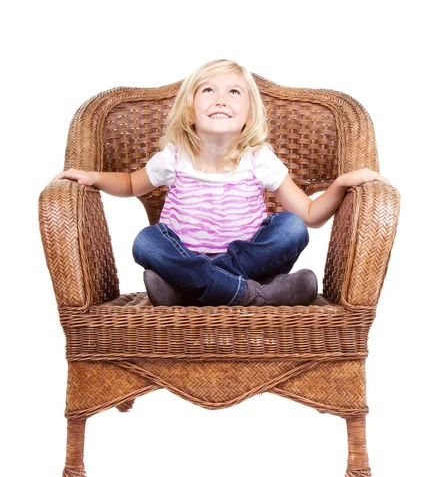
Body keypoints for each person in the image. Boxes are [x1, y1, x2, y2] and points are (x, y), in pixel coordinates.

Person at [54, 59, 390, 307]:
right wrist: (94, 178)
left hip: (243, 262)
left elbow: (310, 215)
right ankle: (255, 295)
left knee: (291, 229)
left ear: (248, 113)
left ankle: (190, 289)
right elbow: (130, 184)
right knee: (146, 242)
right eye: (208, 90)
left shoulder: (259, 158)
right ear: (190, 109)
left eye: (233, 92)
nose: (221, 99)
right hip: (186, 255)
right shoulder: (175, 156)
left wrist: (341, 184)